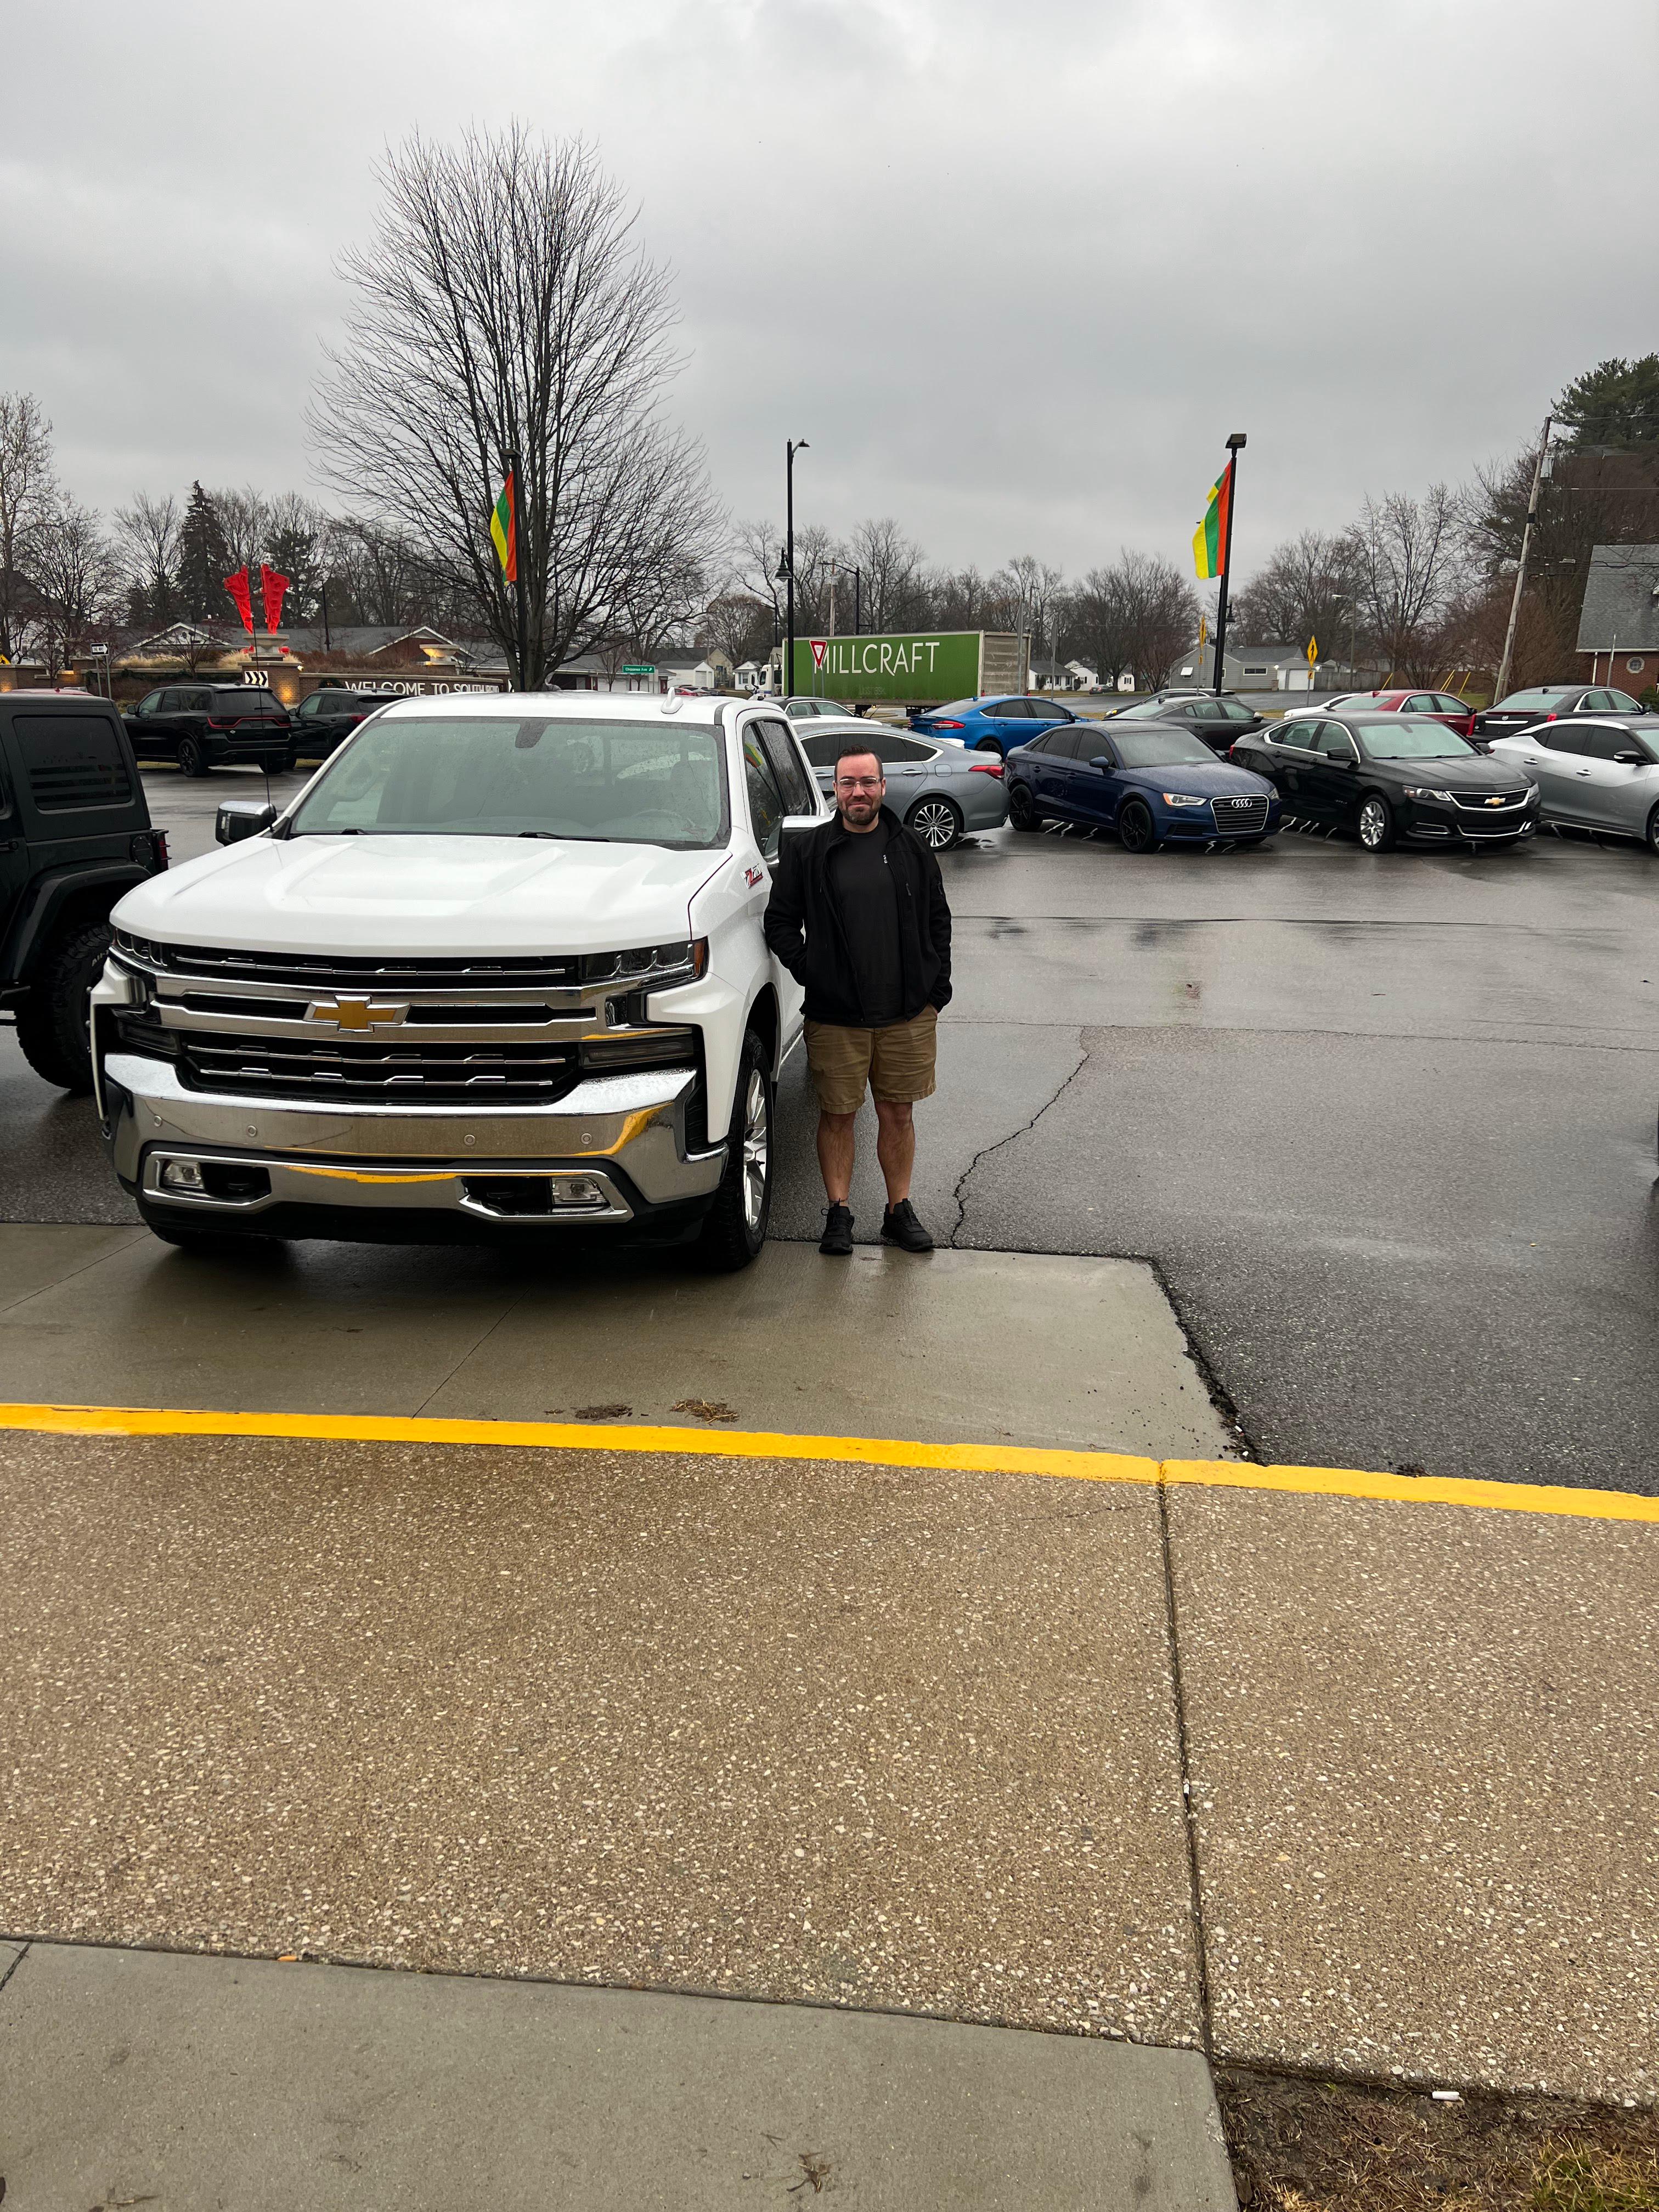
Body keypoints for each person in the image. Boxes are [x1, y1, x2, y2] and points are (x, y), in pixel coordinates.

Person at [764, 740, 952, 1256]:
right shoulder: (809, 852)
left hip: (907, 1014)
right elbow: (779, 922)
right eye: (848, 783)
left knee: (898, 1114)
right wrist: (813, 971)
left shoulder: (913, 848)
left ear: (883, 786)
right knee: (837, 1116)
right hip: (837, 1015)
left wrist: (937, 990)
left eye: (868, 782)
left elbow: (938, 921)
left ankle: (898, 1210)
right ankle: (839, 1211)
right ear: (835, 790)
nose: (859, 792)